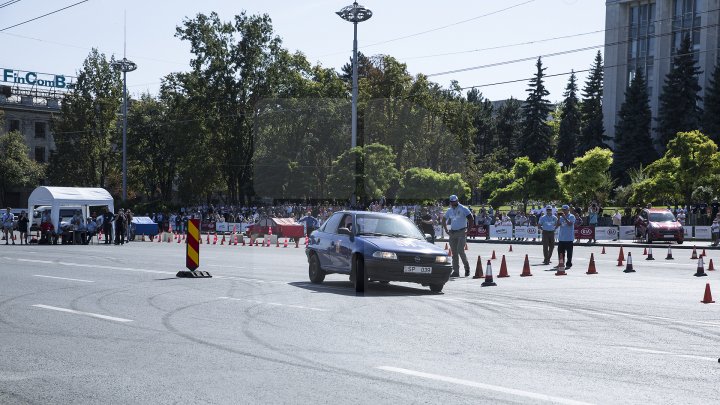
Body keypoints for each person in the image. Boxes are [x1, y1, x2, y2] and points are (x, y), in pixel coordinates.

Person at [442, 195, 473, 277]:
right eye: (451, 201)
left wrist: (469, 230)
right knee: (454, 253)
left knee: (460, 250)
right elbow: (444, 219)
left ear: (457, 200)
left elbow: (471, 218)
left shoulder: (463, 208)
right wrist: (446, 229)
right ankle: (456, 271)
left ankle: (467, 268)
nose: (453, 203)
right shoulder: (449, 210)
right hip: (452, 232)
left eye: (454, 201)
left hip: (461, 231)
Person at [557, 204, 576, 269]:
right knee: (560, 253)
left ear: (568, 210)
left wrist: (565, 217)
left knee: (569, 253)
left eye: (565, 210)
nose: (564, 211)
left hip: (569, 238)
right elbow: (557, 225)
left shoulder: (571, 216)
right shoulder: (561, 217)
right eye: (563, 210)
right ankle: (561, 263)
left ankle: (569, 264)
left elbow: (570, 224)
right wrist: (559, 218)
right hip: (561, 238)